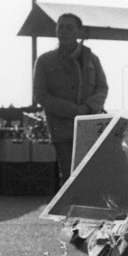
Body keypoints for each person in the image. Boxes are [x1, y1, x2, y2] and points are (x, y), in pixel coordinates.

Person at [32, 12, 108, 180]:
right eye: (61, 27)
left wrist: (87, 107)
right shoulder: (44, 61)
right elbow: (40, 94)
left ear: (79, 31)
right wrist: (72, 110)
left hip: (89, 129)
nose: (64, 31)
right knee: (69, 178)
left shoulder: (92, 60)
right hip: (61, 130)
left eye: (69, 27)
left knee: (91, 177)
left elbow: (102, 88)